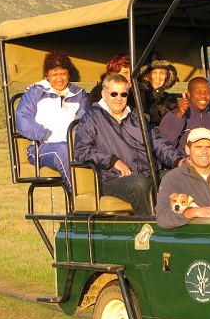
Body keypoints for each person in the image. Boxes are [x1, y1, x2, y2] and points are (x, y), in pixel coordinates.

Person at [74, 74, 185, 217]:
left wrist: (178, 160)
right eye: (113, 93)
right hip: (114, 178)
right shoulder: (92, 117)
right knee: (139, 184)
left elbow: (157, 142)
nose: (119, 98)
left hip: (147, 172)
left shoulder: (136, 116)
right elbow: (82, 150)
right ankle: (150, 227)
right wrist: (112, 160)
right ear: (103, 93)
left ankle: (185, 228)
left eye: (123, 94)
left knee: (178, 176)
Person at [16, 50, 87, 191]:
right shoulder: (35, 92)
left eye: (63, 74)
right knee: (63, 152)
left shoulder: (79, 94)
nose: (59, 79)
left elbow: (83, 121)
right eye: (54, 74)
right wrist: (45, 134)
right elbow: (23, 119)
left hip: (72, 145)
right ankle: (79, 198)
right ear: (47, 75)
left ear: (68, 74)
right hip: (42, 147)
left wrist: (72, 139)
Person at [156, 127, 210, 229]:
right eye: (198, 147)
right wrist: (191, 212)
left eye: (209, 147)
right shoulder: (172, 178)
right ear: (188, 149)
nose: (204, 151)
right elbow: (162, 218)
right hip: (193, 238)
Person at [158, 77, 210, 169]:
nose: (203, 96)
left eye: (207, 92)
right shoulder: (175, 116)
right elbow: (164, 145)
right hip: (185, 172)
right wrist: (179, 115)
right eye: (198, 92)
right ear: (189, 94)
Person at [139, 52, 186, 126]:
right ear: (146, 76)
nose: (158, 77)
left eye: (162, 73)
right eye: (154, 72)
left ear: (167, 77)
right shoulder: (138, 96)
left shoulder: (171, 100)